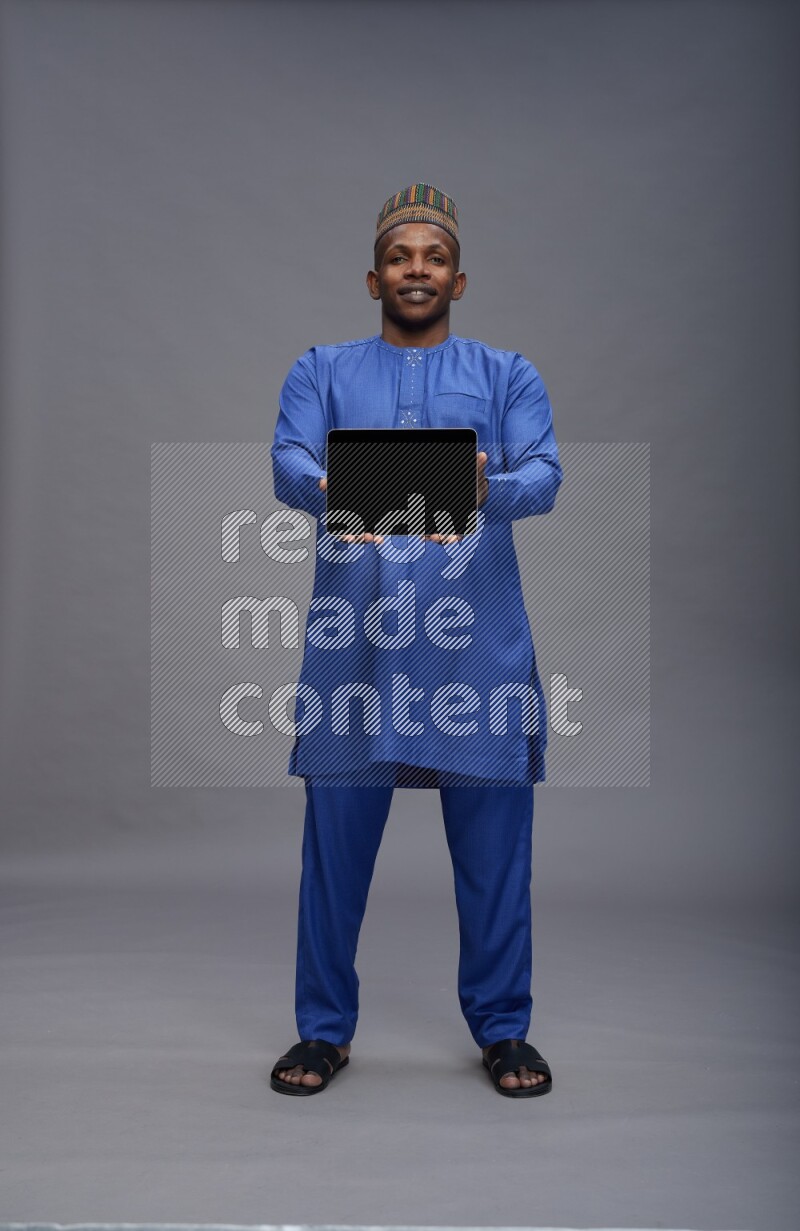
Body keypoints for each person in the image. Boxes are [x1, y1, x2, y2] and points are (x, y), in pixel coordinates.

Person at [269, 184, 562, 1098]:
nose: (417, 270)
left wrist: (483, 491)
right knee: (334, 856)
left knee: (494, 857)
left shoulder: (509, 373)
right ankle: (323, 1031)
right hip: (354, 652)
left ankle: (505, 1030)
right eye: (401, 258)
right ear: (373, 277)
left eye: (433, 258)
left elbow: (544, 475)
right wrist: (346, 488)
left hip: (474, 651)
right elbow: (289, 465)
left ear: (459, 278)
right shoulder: (320, 369)